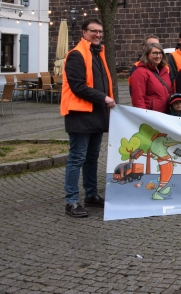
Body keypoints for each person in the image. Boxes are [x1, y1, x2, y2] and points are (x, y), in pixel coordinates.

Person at [61, 17, 115, 218]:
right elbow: (78, 86)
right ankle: (71, 201)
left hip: (96, 114)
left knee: (92, 158)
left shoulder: (98, 54)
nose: (98, 35)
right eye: (94, 31)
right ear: (84, 32)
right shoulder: (76, 54)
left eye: (100, 32)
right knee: (77, 158)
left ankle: (91, 195)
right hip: (79, 115)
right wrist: (104, 98)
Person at [129, 42, 172, 113]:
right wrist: (143, 116)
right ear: (147, 55)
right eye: (154, 53)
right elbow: (138, 99)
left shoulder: (164, 70)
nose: (158, 56)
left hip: (165, 114)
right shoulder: (140, 73)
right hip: (151, 115)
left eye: (160, 53)